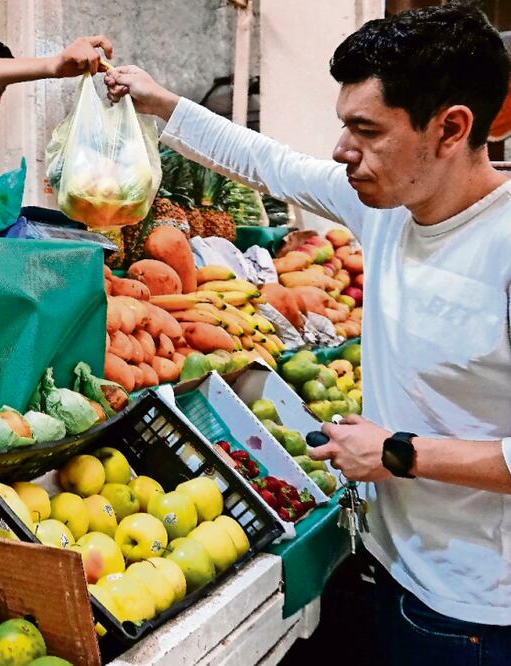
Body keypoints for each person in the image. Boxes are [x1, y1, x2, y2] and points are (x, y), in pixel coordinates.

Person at [105, 5, 511, 664]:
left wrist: (401, 454)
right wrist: (157, 101)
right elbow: (266, 161)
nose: (342, 150)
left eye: (366, 129)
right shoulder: (389, 209)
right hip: (379, 561)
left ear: (451, 128)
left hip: (471, 612)